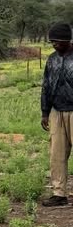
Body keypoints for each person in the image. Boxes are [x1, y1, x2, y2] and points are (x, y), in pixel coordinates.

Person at [40, 21, 73, 206]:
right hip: (56, 111)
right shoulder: (52, 59)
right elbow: (46, 86)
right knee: (56, 154)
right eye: (52, 41)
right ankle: (59, 193)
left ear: (68, 40)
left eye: (58, 41)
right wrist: (45, 112)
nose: (54, 45)